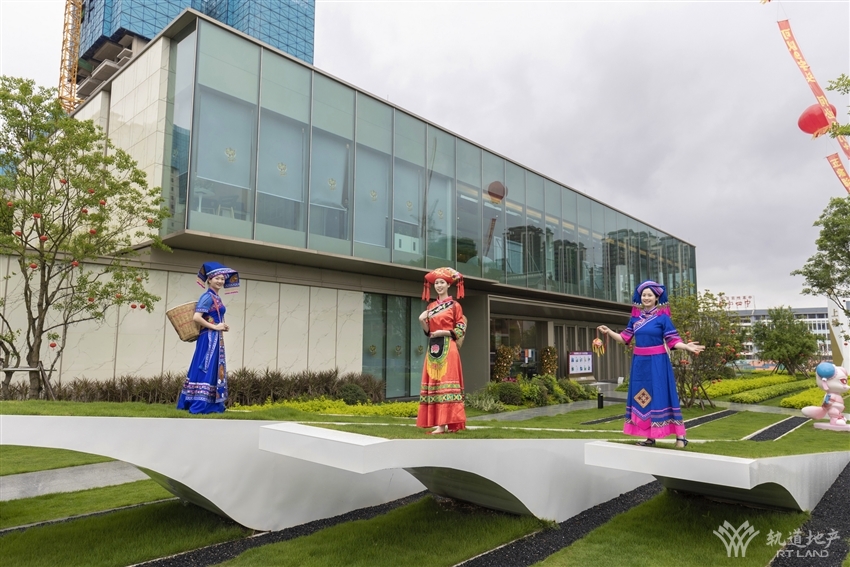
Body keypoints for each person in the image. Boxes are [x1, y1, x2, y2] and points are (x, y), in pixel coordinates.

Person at [597, 281, 704, 448]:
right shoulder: (635, 319)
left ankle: (681, 436)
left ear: (656, 298)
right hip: (640, 363)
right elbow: (624, 338)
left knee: (662, 394)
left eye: (649, 295)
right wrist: (609, 331)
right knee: (642, 396)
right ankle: (649, 436)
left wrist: (686, 346)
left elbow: (673, 340)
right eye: (644, 295)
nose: (646, 298)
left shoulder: (663, 318)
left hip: (658, 362)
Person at [176, 262, 239, 414]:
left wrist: (221, 326)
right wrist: (215, 327)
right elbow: (197, 317)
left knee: (213, 367)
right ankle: (200, 403)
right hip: (208, 338)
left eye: (222, 279)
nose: (220, 281)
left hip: (215, 337)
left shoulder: (216, 297)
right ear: (209, 280)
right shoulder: (207, 297)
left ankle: (210, 403)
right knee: (205, 366)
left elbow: (212, 316)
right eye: (217, 278)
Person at [417, 267, 467, 434]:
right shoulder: (431, 306)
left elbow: (460, 328)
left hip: (448, 347)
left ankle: (443, 424)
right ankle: (438, 422)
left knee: (446, 383)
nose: (438, 285)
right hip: (433, 347)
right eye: (436, 283)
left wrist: (444, 332)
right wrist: (421, 320)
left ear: (448, 285)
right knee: (435, 384)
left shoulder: (455, 306)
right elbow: (428, 331)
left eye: (442, 283)